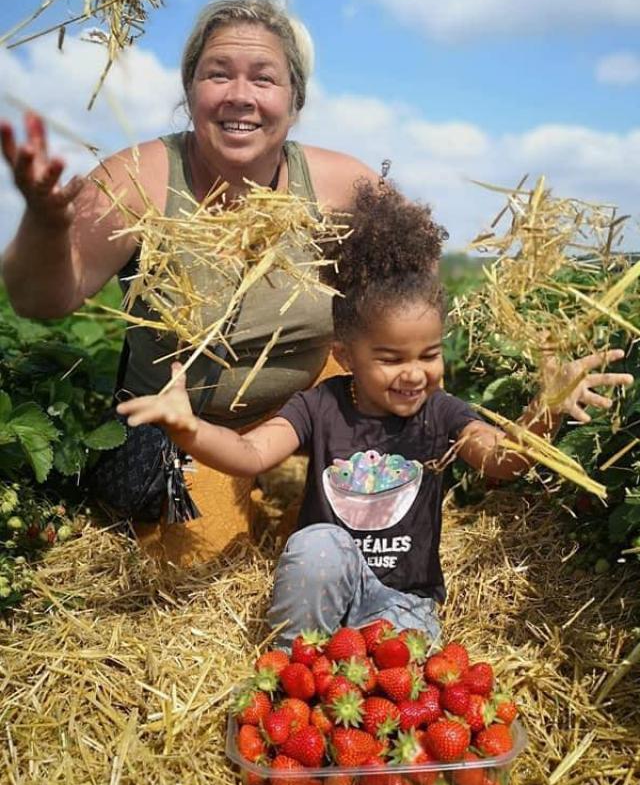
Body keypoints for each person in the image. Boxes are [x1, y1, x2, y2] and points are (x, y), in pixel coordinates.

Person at [115, 180, 634, 646]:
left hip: (404, 602)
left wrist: (544, 412)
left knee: (394, 687)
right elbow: (249, 454)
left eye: (428, 355)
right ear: (345, 356)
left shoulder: (442, 414)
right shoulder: (319, 405)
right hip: (324, 591)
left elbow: (500, 460)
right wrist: (189, 428)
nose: (413, 373)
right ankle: (291, 666)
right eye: (389, 359)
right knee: (317, 544)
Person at [0, 0, 379, 555]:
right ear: (190, 91)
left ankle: (301, 479)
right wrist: (45, 224)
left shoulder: (342, 185)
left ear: (294, 101)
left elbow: (407, 298)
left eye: (264, 79)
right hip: (187, 424)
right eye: (217, 74)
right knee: (197, 570)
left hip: (308, 398)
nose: (240, 97)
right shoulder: (140, 179)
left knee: (374, 521)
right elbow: (41, 300)